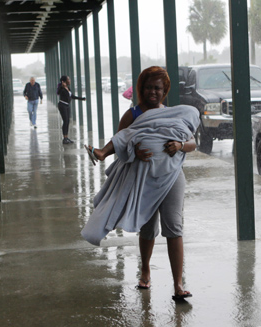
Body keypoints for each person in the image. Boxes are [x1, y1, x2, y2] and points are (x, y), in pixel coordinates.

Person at [83, 66, 197, 300]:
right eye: (148, 87)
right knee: (148, 227)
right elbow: (121, 141)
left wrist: (180, 145)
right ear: (141, 89)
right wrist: (134, 151)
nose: (153, 92)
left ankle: (178, 284)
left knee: (174, 226)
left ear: (165, 90)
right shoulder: (132, 115)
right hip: (143, 177)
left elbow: (193, 142)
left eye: (158, 88)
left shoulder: (173, 114)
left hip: (172, 176)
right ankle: (145, 271)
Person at [57, 75, 86, 144]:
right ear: (64, 81)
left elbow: (72, 96)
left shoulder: (68, 88)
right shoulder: (61, 89)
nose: (69, 81)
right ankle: (64, 138)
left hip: (67, 105)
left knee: (67, 121)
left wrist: (82, 98)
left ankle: (66, 137)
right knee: (65, 121)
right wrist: (62, 86)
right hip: (62, 105)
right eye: (68, 79)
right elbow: (58, 92)